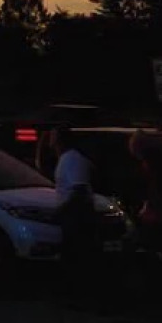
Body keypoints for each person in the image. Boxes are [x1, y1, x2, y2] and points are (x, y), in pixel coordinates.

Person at [53, 127, 99, 306]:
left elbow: (79, 190)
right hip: (73, 215)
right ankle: (75, 294)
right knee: (73, 254)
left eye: (52, 135)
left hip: (76, 216)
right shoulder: (67, 159)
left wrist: (63, 209)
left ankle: (79, 296)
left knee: (77, 254)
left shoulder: (72, 159)